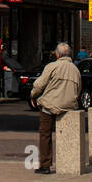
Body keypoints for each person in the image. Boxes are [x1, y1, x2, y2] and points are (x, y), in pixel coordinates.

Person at [29, 42, 81, 175]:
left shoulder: (52, 66)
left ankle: (45, 165)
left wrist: (33, 95)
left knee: (45, 133)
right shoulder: (75, 70)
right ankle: (69, 163)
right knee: (67, 134)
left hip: (50, 105)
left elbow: (39, 84)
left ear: (57, 54)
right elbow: (79, 89)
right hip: (69, 106)